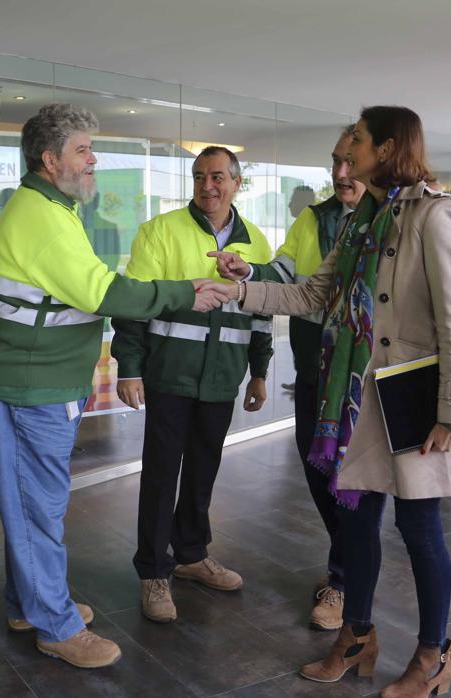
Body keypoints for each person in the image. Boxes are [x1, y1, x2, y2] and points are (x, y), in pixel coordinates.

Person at [212, 105, 451, 697]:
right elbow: (312, 293)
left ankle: (435, 656)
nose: (344, 151)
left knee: (421, 528)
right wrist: (237, 290)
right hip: (358, 399)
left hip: (413, 401)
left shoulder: (434, 216)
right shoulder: (362, 217)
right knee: (356, 527)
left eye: (354, 141)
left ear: (386, 148)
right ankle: (356, 636)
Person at [0, 103, 227, 669]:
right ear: (49, 158)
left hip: (39, 380)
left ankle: (27, 603)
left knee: (32, 504)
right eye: (83, 149)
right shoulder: (38, 213)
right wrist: (185, 292)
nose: (94, 160)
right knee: (37, 508)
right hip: (23, 386)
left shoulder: (53, 208)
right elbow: (102, 293)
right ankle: (55, 626)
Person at [111, 146, 272, 623]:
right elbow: (135, 305)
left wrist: (259, 371)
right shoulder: (159, 231)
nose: (208, 186)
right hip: (169, 375)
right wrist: (129, 367)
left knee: (204, 468)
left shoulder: (257, 243)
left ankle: (191, 554)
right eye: (200, 176)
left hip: (223, 377)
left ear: (237, 183)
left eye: (218, 177)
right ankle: (153, 572)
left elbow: (260, 316)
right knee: (162, 473)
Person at [247, 126, 367, 631]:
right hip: (314, 360)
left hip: (362, 370)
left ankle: (342, 580)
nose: (340, 173)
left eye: (349, 162)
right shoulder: (313, 220)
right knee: (315, 463)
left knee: (355, 476)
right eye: (334, 161)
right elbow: (285, 271)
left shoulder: (388, 219)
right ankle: (349, 566)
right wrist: (246, 275)